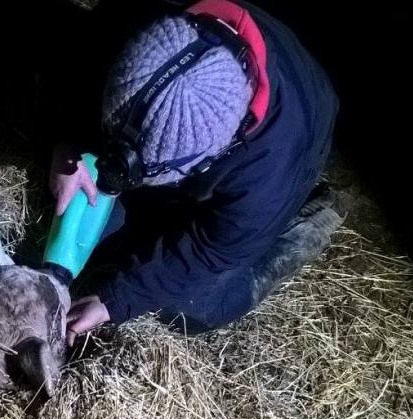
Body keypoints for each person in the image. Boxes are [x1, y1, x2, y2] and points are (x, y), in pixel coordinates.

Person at [44, 0, 342, 345]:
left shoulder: (268, 172)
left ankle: (309, 226)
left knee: (195, 306)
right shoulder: (146, 33)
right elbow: (79, 69)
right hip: (188, 131)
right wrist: (67, 145)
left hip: (300, 137)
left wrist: (115, 300)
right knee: (97, 232)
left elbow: (210, 250)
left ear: (207, 158)